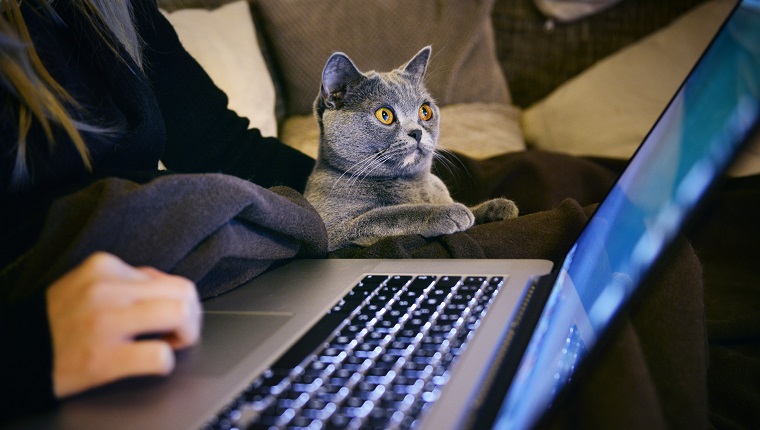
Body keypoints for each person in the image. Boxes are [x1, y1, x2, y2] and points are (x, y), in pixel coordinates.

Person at [0, 0, 711, 428]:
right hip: (105, 283)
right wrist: (29, 352)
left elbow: (217, 145)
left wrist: (353, 183)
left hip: (223, 244)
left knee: (580, 190)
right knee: (612, 247)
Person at [0, 0, 321, 421]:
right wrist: (31, 350)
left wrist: (396, 184)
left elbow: (224, 148)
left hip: (173, 315)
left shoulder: (115, 7)